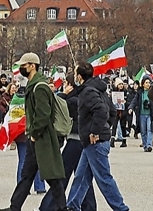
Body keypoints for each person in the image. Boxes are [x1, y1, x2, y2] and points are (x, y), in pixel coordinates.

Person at [0, 53, 66, 211]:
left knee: (51, 176)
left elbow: (43, 114)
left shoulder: (39, 87)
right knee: (27, 175)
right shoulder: (35, 84)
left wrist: (34, 134)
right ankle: (15, 207)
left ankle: (62, 207)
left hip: (41, 138)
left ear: (32, 66)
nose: (21, 68)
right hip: (35, 137)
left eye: (24, 65)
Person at [64, 63, 128, 211]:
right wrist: (106, 128)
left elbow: (101, 110)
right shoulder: (99, 89)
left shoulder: (87, 91)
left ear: (79, 76)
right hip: (91, 141)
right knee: (81, 176)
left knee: (103, 178)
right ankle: (72, 205)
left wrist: (96, 131)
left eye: (75, 73)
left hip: (95, 140)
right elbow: (111, 111)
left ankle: (121, 208)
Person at [58, 70, 97, 211]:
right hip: (80, 139)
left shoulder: (73, 100)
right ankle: (89, 206)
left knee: (62, 174)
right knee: (82, 177)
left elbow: (57, 105)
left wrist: (64, 94)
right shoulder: (82, 97)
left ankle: (51, 205)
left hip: (75, 139)